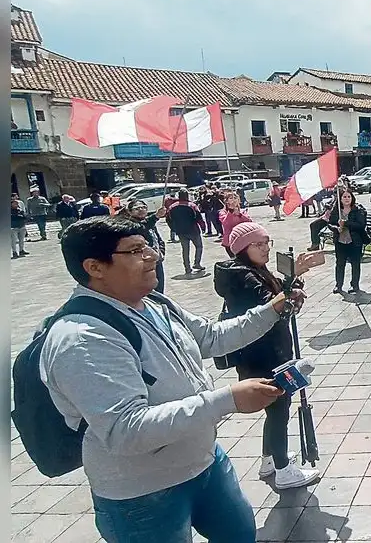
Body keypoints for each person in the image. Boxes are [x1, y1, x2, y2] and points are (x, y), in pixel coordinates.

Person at [40, 216, 301, 542]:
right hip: (142, 493)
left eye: (149, 244)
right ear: (95, 267)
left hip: (204, 462)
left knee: (240, 533)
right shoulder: (82, 339)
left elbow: (211, 337)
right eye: (136, 250)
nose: (154, 255)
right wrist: (228, 399)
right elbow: (126, 430)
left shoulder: (154, 303)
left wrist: (272, 309)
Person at [214, 222, 320, 490]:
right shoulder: (244, 277)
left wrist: (292, 279)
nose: (265, 249)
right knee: (278, 410)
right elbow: (276, 306)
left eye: (266, 242)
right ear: (241, 249)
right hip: (265, 355)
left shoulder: (250, 271)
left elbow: (277, 299)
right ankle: (284, 470)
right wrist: (293, 285)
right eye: (257, 244)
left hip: (264, 352)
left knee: (274, 409)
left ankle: (269, 460)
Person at [121, 199, 168, 293]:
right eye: (137, 208)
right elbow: (142, 227)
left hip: (156, 261)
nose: (141, 210)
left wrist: (161, 252)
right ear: (130, 212)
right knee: (149, 291)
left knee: (160, 288)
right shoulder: (131, 225)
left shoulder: (150, 224)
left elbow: (158, 239)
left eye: (144, 207)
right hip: (143, 263)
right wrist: (156, 216)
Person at [329, 188, 367, 294]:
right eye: (344, 197)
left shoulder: (358, 209)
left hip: (354, 242)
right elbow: (330, 223)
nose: (346, 199)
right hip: (340, 241)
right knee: (340, 264)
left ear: (352, 198)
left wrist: (346, 223)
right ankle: (338, 285)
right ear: (340, 199)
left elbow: (361, 225)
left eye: (348, 197)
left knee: (355, 263)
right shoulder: (337, 210)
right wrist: (337, 228)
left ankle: (354, 285)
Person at [166, 189, 207, 276]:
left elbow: (168, 219)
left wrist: (173, 228)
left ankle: (187, 268)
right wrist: (203, 227)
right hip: (193, 230)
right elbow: (199, 218)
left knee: (185, 250)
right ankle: (197, 263)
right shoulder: (192, 205)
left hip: (181, 231)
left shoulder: (172, 207)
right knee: (199, 247)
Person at [220, 192, 253, 257]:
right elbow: (225, 223)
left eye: (235, 198)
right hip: (230, 241)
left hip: (243, 240)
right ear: (226, 201)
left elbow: (249, 222)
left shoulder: (242, 211)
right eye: (231, 198)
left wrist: (240, 215)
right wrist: (231, 212)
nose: (233, 200)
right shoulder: (223, 212)